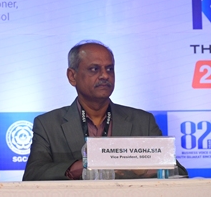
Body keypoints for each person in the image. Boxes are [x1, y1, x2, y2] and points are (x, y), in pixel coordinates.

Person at [22, 40, 188, 180]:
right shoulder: (48, 125)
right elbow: (32, 175)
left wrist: (138, 168)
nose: (105, 75)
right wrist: (81, 168)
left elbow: (179, 173)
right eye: (94, 69)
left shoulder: (142, 121)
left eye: (109, 69)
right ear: (72, 76)